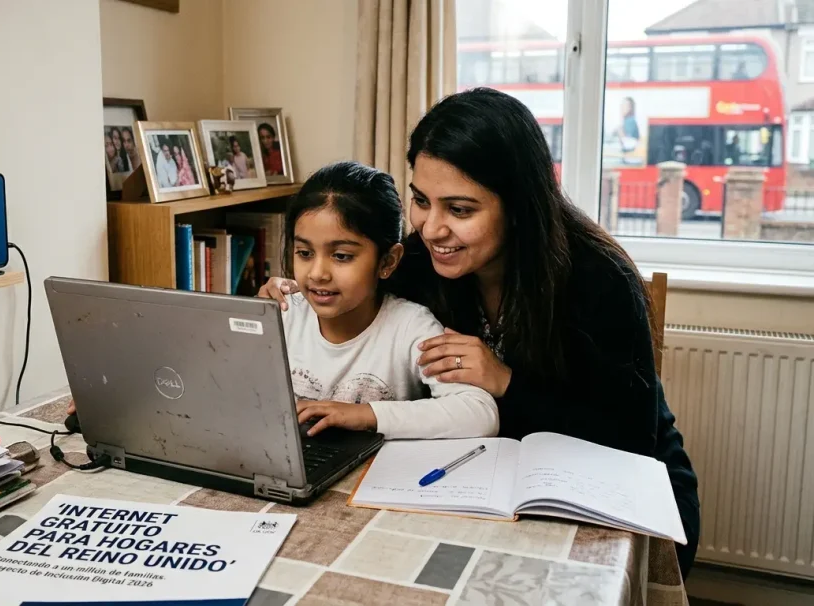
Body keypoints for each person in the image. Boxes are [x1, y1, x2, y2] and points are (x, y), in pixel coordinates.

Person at [259, 88, 700, 578]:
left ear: (517, 205)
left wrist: (505, 381)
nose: (431, 228)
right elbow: (352, 290)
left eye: (461, 210)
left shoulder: (599, 279)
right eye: (421, 200)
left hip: (610, 487)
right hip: (476, 479)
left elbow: (630, 439)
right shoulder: (418, 261)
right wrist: (289, 295)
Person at [264, 161, 498, 439]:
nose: (317, 274)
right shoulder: (284, 314)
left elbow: (480, 414)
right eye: (304, 253)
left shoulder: (411, 328)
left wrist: (366, 415)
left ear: (387, 261)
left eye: (341, 256)